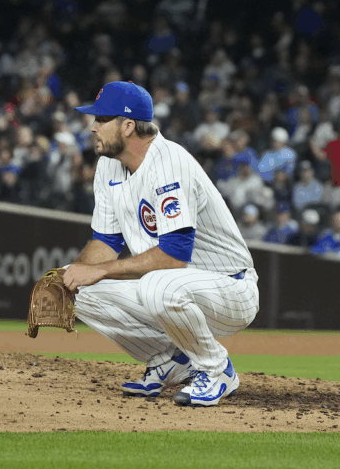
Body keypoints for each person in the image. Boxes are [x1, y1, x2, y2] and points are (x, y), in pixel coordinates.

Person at [62, 81, 259, 407]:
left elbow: (174, 256)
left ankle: (216, 368)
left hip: (229, 288)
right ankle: (172, 360)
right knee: (74, 284)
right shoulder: (109, 165)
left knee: (157, 285)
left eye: (101, 119)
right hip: (174, 288)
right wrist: (70, 277)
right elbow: (106, 242)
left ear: (127, 126)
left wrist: (101, 271)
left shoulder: (169, 162)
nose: (93, 127)